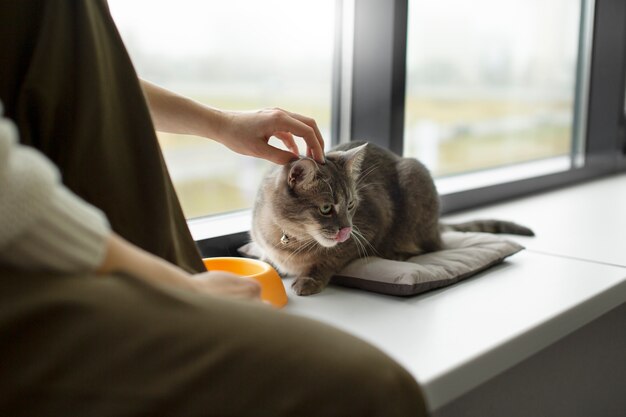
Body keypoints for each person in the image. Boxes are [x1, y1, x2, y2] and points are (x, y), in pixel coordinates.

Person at [0, 1, 428, 416]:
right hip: (44, 266)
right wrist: (177, 286)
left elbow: (92, 79)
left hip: (93, 254)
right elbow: (14, 191)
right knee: (375, 391)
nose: (342, 224)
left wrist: (222, 124)